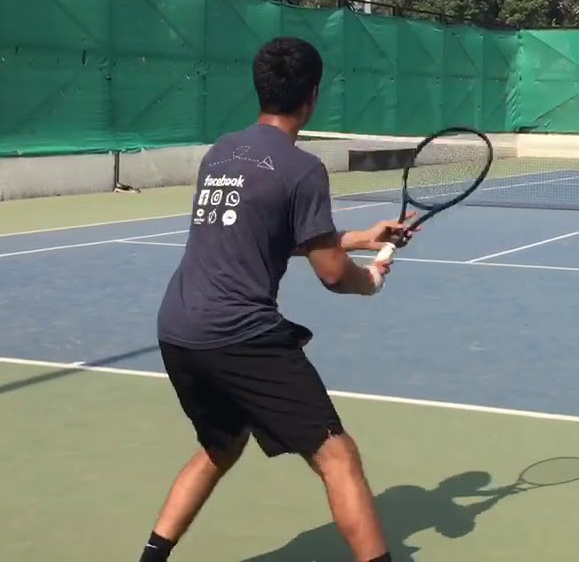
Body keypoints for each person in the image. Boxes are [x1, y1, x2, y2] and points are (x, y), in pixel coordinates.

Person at [138, 36, 411, 562]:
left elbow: (266, 229)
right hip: (239, 336)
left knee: (220, 446)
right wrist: (370, 279)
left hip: (177, 328)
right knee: (337, 456)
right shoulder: (302, 168)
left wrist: (364, 236)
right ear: (313, 95)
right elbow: (331, 274)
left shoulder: (220, 153)